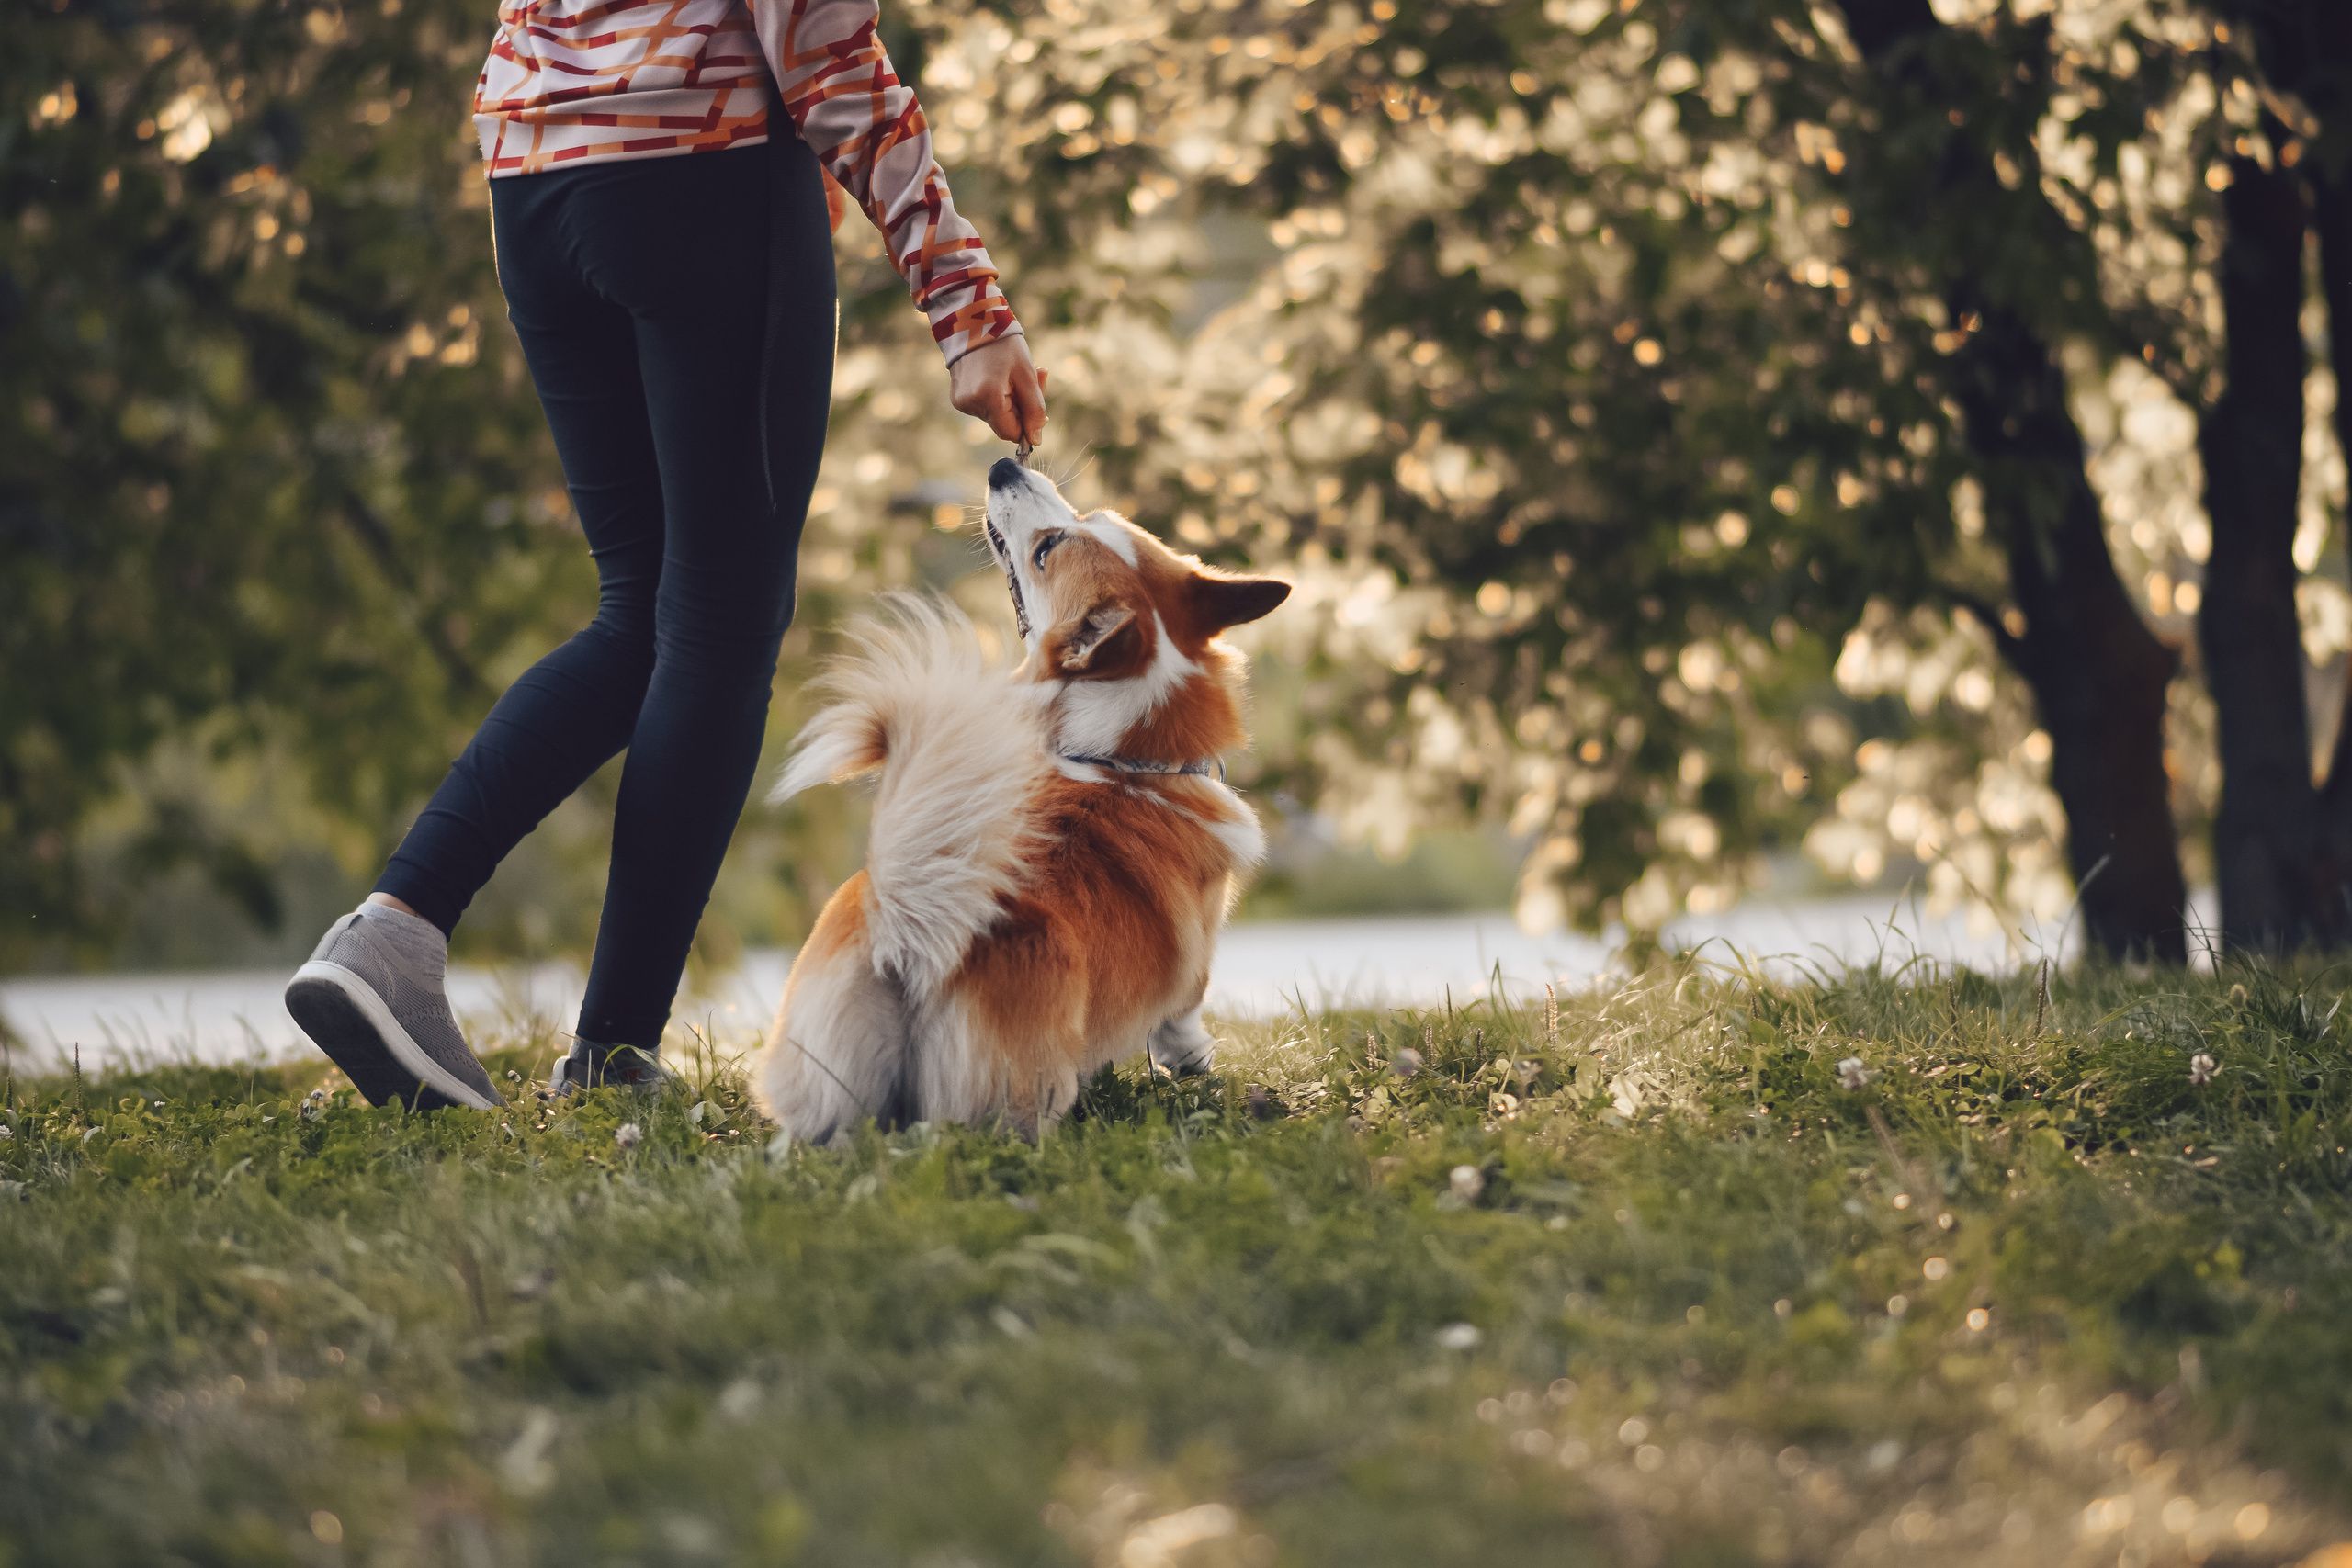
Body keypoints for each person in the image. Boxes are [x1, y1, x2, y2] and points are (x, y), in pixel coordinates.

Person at [284, 0, 1046, 1109]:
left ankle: (393, 934)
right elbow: (820, 44)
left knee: (644, 614)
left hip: (535, 171)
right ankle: (611, 1056)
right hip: (703, 165)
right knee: (722, 624)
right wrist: (965, 302)